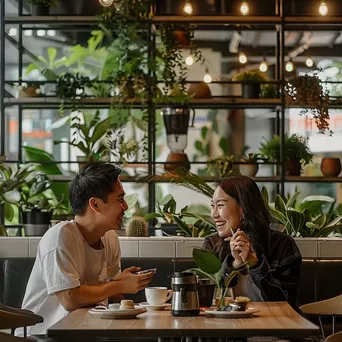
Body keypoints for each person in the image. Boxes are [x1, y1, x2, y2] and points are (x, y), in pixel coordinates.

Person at [18, 162, 154, 336]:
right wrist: (119, 285)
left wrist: (137, 304)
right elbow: (70, 298)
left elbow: (111, 295)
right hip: (43, 336)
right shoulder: (60, 237)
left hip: (87, 332)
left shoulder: (109, 237)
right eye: (120, 199)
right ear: (95, 205)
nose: (126, 206)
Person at [203, 176, 302, 310]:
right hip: (224, 326)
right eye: (212, 206)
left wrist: (254, 263)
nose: (214, 214)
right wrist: (234, 265)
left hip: (273, 325)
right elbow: (204, 299)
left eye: (220, 205)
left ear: (243, 208)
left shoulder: (282, 245)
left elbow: (285, 302)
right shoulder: (212, 244)